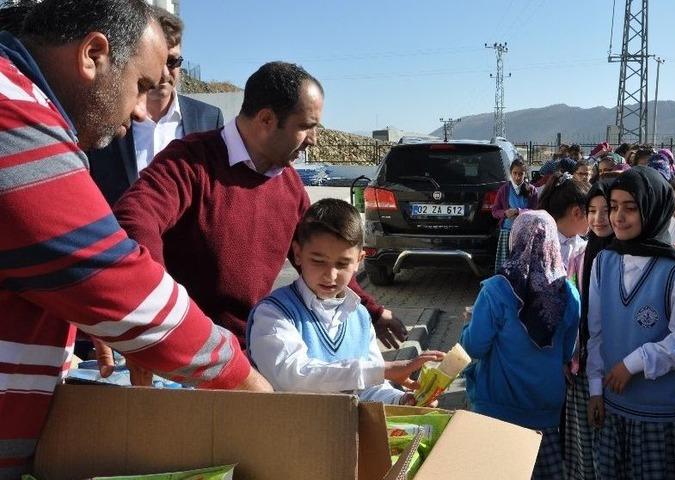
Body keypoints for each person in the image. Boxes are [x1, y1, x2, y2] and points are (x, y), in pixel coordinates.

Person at [0, 1, 272, 475]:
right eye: (141, 86)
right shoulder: (13, 114)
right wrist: (249, 383)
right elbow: (116, 279)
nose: (142, 113)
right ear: (93, 55)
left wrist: (79, 311)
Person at [113, 62, 406, 351]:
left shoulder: (290, 186)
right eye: (306, 127)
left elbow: (322, 253)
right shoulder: (190, 161)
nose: (313, 141)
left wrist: (373, 312)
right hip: (184, 351)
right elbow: (134, 219)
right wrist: (163, 312)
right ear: (266, 119)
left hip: (248, 349)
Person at [585, 167, 675, 480]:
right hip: (613, 404)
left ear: (654, 209)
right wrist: (595, 388)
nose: (618, 217)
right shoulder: (604, 262)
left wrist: (634, 363)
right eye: (613, 206)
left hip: (657, 411)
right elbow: (595, 331)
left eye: (631, 208)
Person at [247, 199, 442, 404]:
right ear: (297, 254)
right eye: (318, 261)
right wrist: (383, 370)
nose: (330, 275)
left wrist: (402, 400)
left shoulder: (360, 315)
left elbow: (369, 389)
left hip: (346, 424)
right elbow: (292, 377)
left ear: (359, 261)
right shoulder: (273, 314)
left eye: (342, 264)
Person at [461, 210, 580, 480]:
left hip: (498, 408)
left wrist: (469, 323)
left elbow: (474, 347)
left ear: (515, 240)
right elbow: (566, 352)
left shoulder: (496, 290)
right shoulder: (569, 294)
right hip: (545, 411)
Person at [86, 7, 223, 205]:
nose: (165, 73)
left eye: (173, 62)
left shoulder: (209, 119)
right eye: (157, 63)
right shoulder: (105, 118)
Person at [564, 180, 614, 480]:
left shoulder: (628, 256)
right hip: (581, 363)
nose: (598, 218)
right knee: (584, 440)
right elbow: (570, 311)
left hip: (618, 369)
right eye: (591, 211)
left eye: (606, 210)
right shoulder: (579, 256)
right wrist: (565, 357)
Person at [538, 172, 590, 288]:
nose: (594, 219)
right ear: (577, 212)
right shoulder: (542, 245)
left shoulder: (583, 246)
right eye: (591, 211)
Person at [492, 157, 538, 272]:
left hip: (524, 234)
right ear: (511, 173)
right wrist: (505, 213)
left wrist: (519, 211)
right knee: (505, 267)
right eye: (515, 173)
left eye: (521, 174)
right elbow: (495, 211)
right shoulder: (504, 190)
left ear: (525, 174)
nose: (517, 177)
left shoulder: (532, 190)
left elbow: (535, 213)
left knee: (521, 267)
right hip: (507, 233)